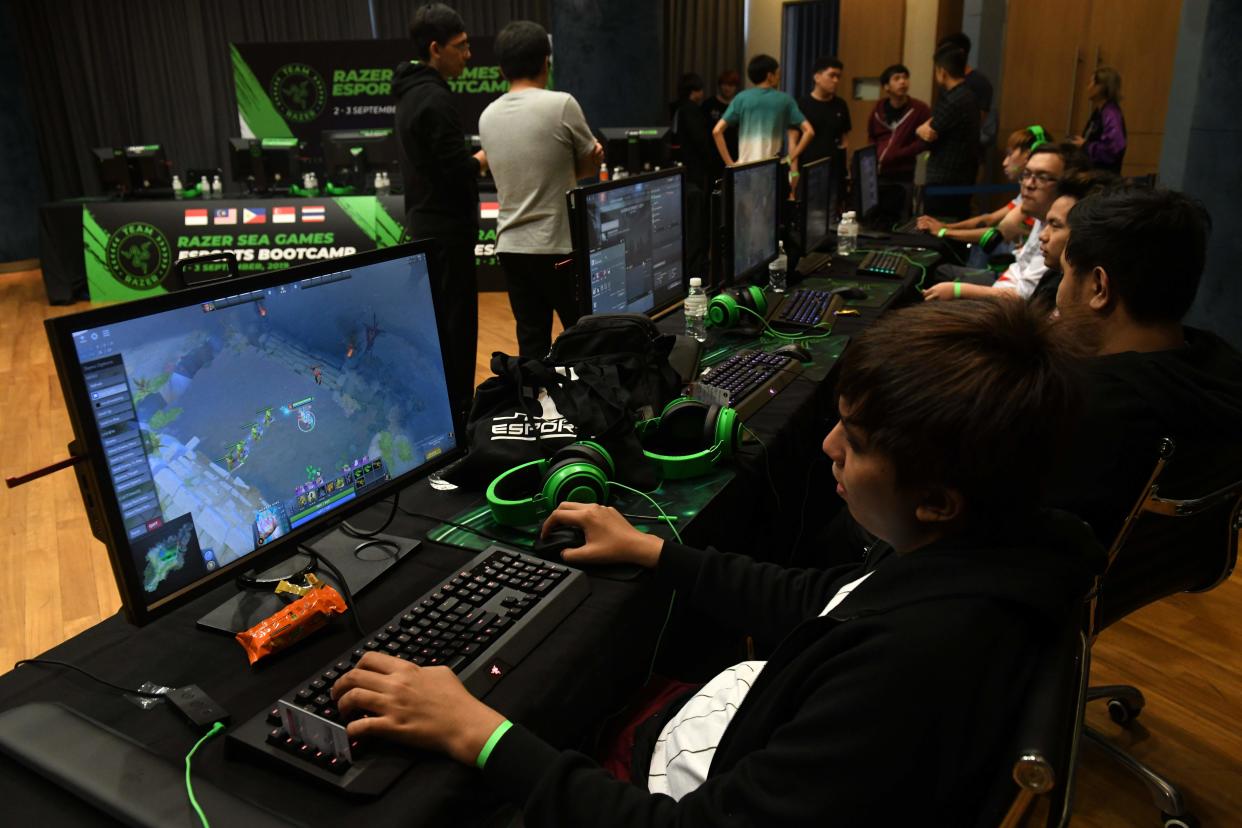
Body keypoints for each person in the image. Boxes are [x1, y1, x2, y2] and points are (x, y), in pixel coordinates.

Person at [330, 298, 1098, 824]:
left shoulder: (907, 668)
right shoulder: (996, 553)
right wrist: (656, 552)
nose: (828, 447)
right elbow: (827, 599)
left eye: (856, 443)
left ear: (937, 499)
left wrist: (476, 731)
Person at [1048, 188, 1242, 544]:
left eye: (1064, 273)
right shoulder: (1224, 372)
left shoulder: (1081, 406)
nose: (1059, 293)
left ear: (1099, 287)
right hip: (1153, 572)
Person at [478, 21, 603, 359]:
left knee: (531, 341)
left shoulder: (487, 116)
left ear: (502, 68)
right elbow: (587, 168)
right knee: (582, 334)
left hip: (511, 247)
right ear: (546, 61)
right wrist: (594, 160)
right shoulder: (561, 104)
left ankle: (536, 404)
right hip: (557, 245)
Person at [393, 3, 487, 423]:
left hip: (428, 227)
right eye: (460, 47)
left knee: (442, 328)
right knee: (457, 329)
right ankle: (459, 419)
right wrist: (485, 157)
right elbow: (456, 172)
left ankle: (444, 412)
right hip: (447, 234)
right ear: (435, 48)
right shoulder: (433, 99)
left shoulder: (411, 93)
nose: (467, 55)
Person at [923, 142, 1087, 302]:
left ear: (1066, 184)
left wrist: (958, 290)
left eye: (1042, 177)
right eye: (1026, 174)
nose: (1029, 184)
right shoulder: (1037, 211)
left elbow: (1025, 295)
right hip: (1004, 286)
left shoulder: (1062, 234)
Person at [916, 126, 1051, 247]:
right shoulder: (1026, 195)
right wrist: (945, 226)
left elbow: (997, 233)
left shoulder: (1040, 199)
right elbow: (989, 219)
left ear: (1030, 155)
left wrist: (943, 231)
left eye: (1010, 154)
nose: (1004, 163)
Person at [1028, 168, 1118, 311]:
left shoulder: (1088, 306)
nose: (1042, 236)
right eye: (1046, 224)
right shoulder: (1051, 277)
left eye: (1055, 225)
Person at [713, 54, 814, 169]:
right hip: (772, 169)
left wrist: (730, 164)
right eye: (778, 73)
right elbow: (809, 131)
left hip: (744, 169)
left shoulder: (741, 98)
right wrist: (789, 158)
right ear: (770, 76)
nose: (779, 77)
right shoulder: (785, 100)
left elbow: (717, 131)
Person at [916, 46, 980, 219]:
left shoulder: (952, 100)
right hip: (962, 177)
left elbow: (928, 136)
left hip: (945, 180)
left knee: (939, 229)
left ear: (942, 71)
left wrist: (918, 130)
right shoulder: (969, 95)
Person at [672, 73, 715, 277]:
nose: (702, 94)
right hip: (697, 172)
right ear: (694, 92)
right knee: (699, 222)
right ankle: (698, 269)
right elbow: (701, 141)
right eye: (700, 90)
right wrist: (713, 163)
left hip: (688, 170)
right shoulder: (691, 111)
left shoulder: (679, 109)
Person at [867, 63, 930, 181]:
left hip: (905, 171)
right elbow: (872, 136)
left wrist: (899, 154)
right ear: (886, 87)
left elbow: (925, 140)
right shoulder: (877, 109)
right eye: (897, 78)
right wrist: (874, 155)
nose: (902, 82)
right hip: (879, 170)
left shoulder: (920, 109)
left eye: (905, 78)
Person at [937, 32, 995, 152]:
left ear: (961, 53)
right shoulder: (945, 79)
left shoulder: (979, 82)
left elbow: (979, 119)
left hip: (966, 148)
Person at [797, 56, 850, 175]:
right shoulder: (802, 104)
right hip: (809, 169)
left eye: (838, 77)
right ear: (817, 77)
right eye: (832, 75)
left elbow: (845, 140)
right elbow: (793, 141)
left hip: (836, 170)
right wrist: (794, 171)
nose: (836, 80)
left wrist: (846, 170)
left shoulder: (841, 104)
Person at [1071, 66, 1127, 174]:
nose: (1088, 87)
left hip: (1103, 179)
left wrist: (1085, 145)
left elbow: (1113, 150)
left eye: (1091, 83)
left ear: (1101, 87)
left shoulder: (1111, 114)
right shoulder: (1099, 111)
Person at [702, 70, 740, 163]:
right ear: (720, 85)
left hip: (733, 152)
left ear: (735, 87)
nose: (727, 88)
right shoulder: (709, 104)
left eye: (731, 85)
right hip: (712, 152)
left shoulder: (738, 105)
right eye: (725, 84)